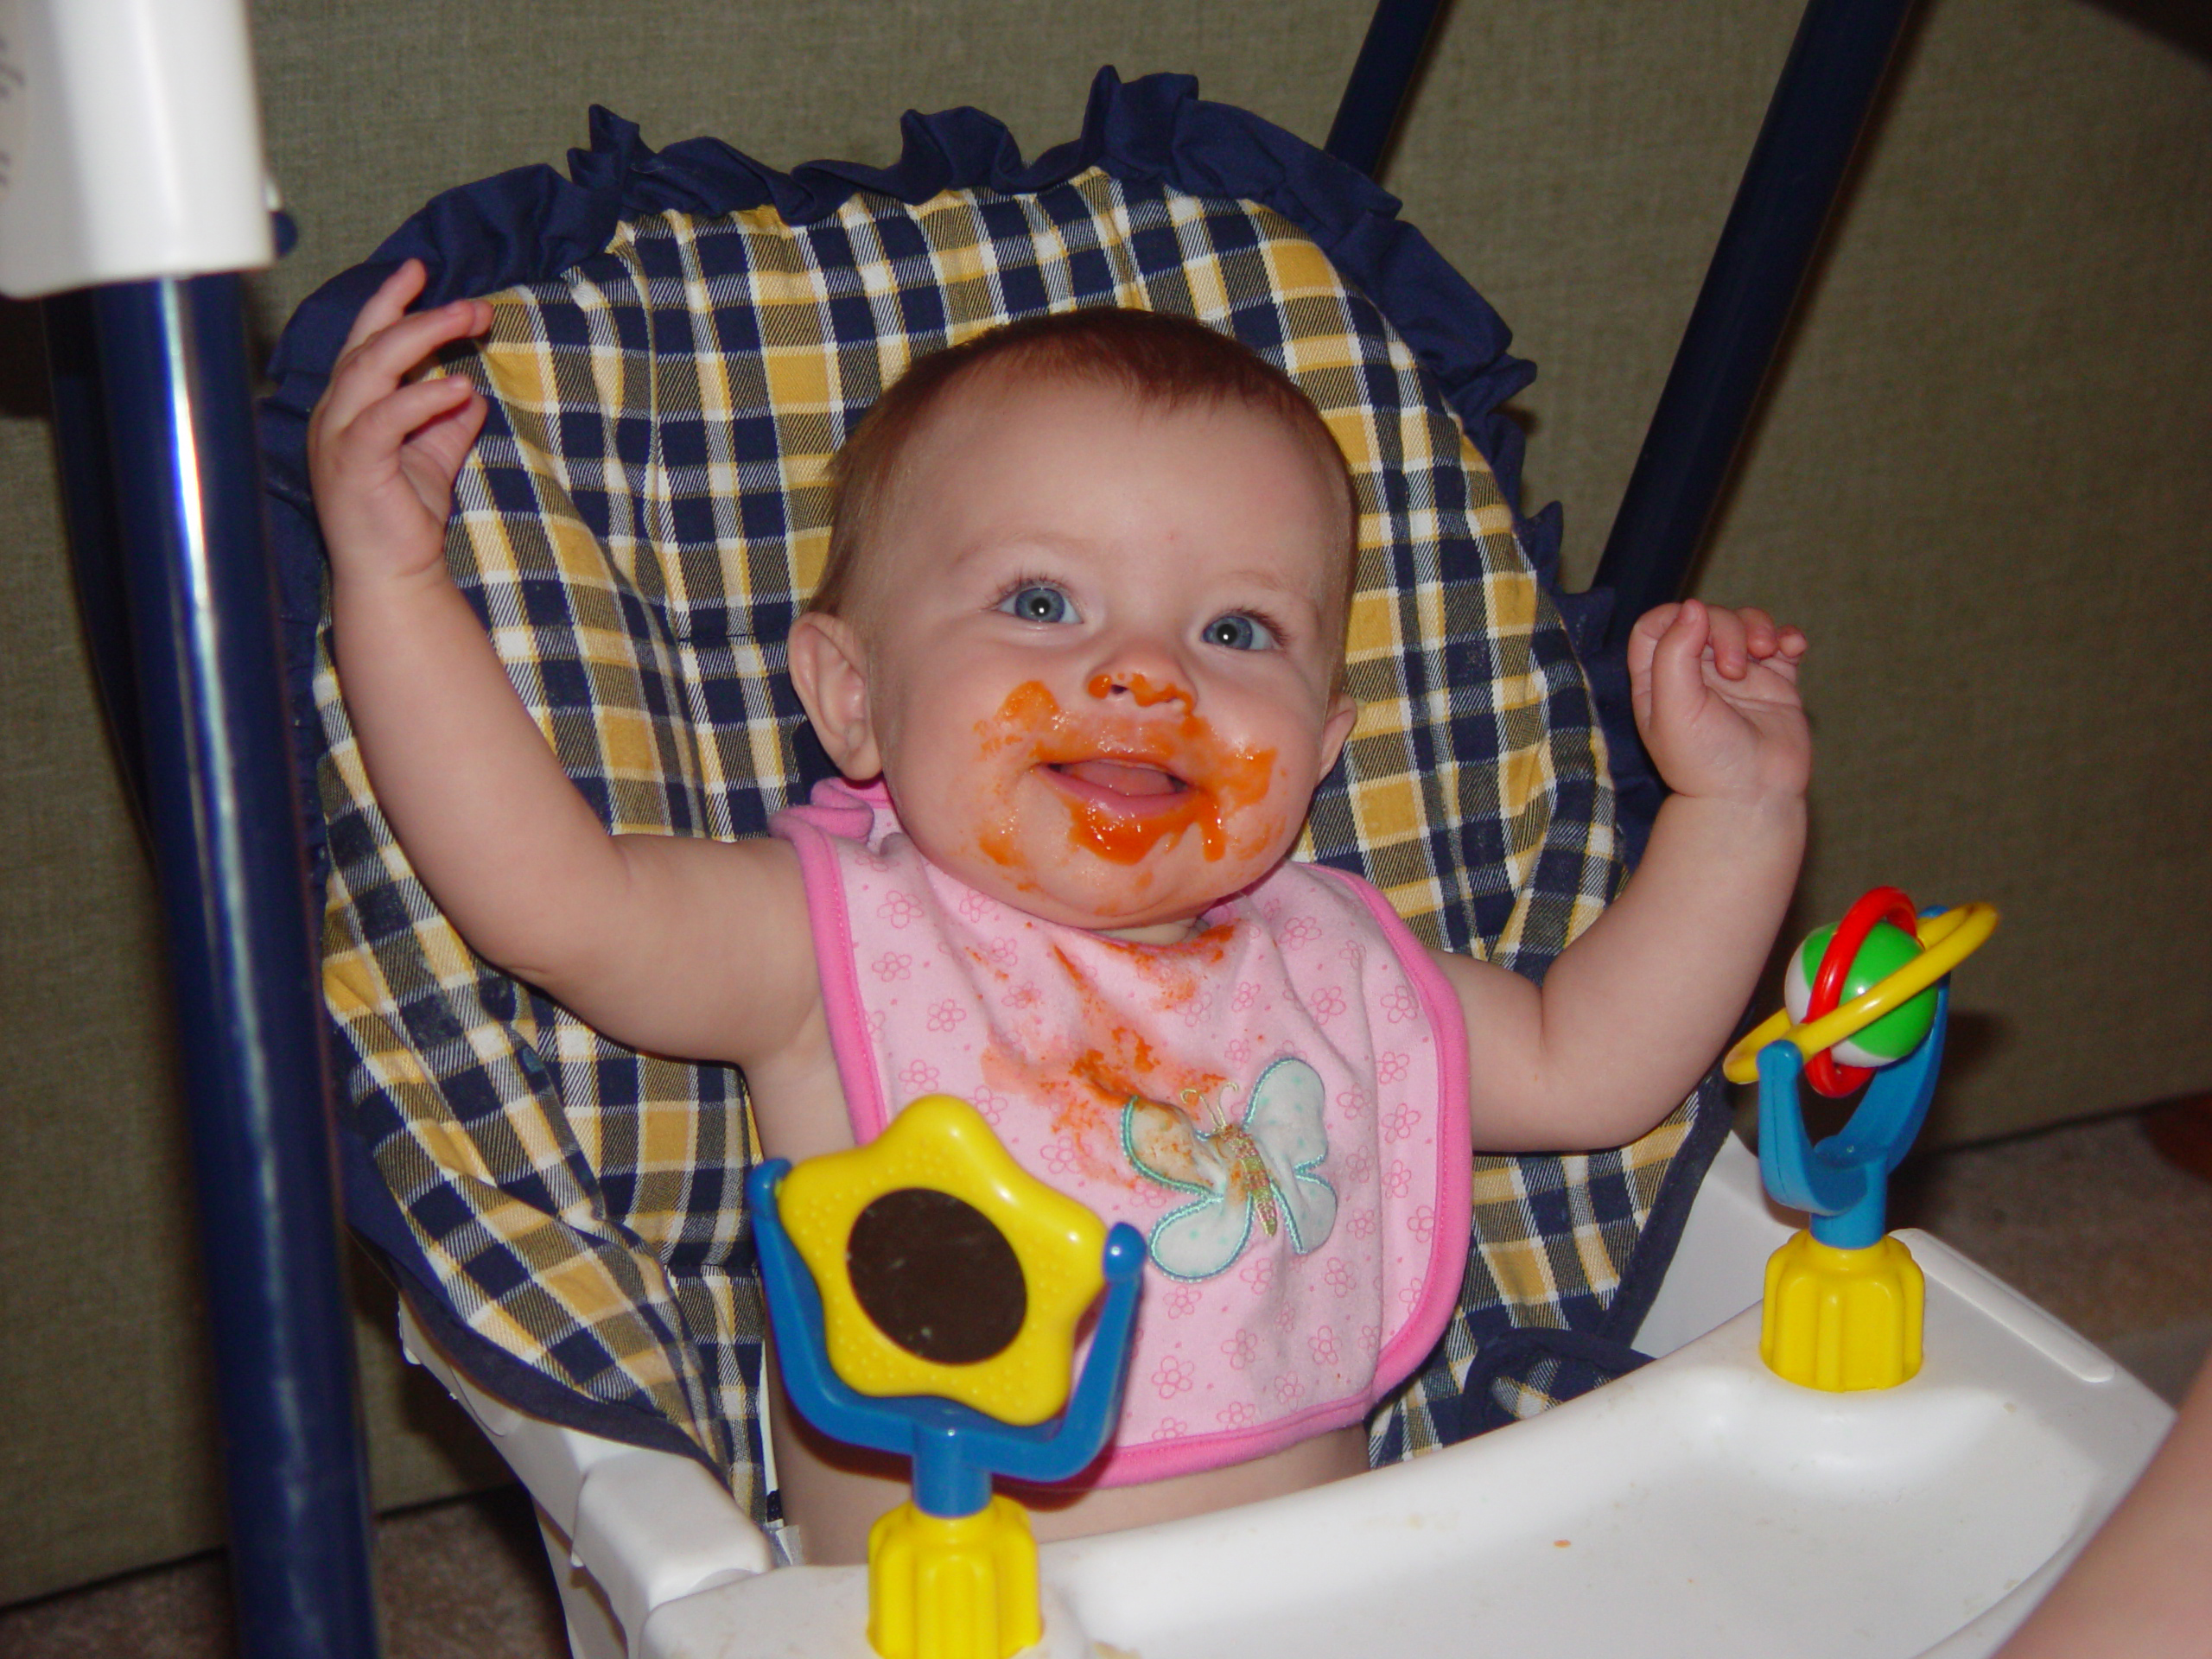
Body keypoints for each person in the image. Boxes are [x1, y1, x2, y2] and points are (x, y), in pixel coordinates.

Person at [310, 258, 1810, 1564]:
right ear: (853, 697)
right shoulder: (824, 940)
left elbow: (1592, 1061)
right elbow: (551, 904)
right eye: (1042, 601)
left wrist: (1735, 815)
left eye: (1237, 630)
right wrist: (392, 580)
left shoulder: (1332, 964)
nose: (1146, 674)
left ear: (1323, 743)